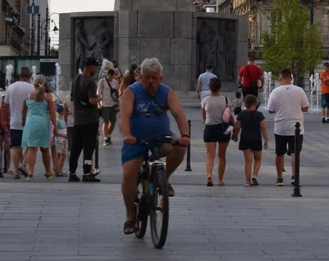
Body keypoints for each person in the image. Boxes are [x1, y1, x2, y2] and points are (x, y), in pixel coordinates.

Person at [119, 57, 191, 235]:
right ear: (140, 76)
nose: (150, 81)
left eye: (154, 77)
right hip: (137, 140)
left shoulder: (167, 92)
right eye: (146, 77)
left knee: (179, 147)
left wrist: (185, 135)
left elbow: (179, 114)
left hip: (161, 137)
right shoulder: (131, 92)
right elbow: (124, 117)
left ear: (161, 78)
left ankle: (164, 179)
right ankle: (130, 215)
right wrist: (127, 135)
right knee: (129, 174)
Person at [266, 68, 310, 186]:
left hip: (280, 127)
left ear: (280, 79)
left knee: (279, 153)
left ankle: (279, 178)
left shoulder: (275, 92)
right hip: (297, 127)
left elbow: (270, 110)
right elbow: (306, 108)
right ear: (291, 78)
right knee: (295, 153)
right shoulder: (299, 91)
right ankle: (294, 177)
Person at [69, 58, 101, 182]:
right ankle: (87, 173)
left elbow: (72, 98)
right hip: (90, 120)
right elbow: (92, 101)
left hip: (78, 120)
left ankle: (72, 173)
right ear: (91, 67)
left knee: (76, 147)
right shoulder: (91, 82)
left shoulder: (75, 80)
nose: (96, 69)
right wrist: (99, 98)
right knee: (89, 148)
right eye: (95, 67)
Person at [21, 75, 57, 178]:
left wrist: (23, 121)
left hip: (31, 122)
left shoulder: (28, 96)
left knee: (32, 148)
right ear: (44, 83)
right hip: (43, 124)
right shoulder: (48, 97)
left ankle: (30, 172)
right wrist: (55, 126)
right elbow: (52, 113)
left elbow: (24, 110)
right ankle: (48, 171)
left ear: (34, 83)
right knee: (45, 149)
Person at [200, 77, 232, 186]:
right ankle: (220, 180)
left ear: (210, 88)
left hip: (210, 128)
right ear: (220, 87)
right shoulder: (226, 100)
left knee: (210, 155)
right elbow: (229, 115)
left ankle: (209, 175)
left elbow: (204, 116)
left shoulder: (205, 100)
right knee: (222, 155)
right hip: (223, 129)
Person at [5, 68, 35, 179]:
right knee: (30, 146)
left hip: (14, 121)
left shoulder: (11, 87)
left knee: (15, 147)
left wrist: (7, 121)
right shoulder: (32, 88)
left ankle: (16, 171)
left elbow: (5, 105)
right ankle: (24, 164)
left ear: (19, 75)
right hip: (29, 121)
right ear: (29, 76)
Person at [235, 94, 269, 187]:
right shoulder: (259, 115)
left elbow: (237, 127)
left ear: (245, 104)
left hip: (245, 139)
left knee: (248, 161)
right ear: (255, 103)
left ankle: (247, 181)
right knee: (258, 159)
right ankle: (255, 175)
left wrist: (234, 135)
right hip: (256, 139)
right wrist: (266, 140)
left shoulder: (241, 114)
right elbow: (263, 128)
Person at [98, 68, 121, 146]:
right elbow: (98, 93)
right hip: (105, 104)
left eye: (112, 76)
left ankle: (108, 135)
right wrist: (99, 104)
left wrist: (118, 104)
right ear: (107, 75)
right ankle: (105, 138)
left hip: (113, 104)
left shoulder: (115, 82)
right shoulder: (102, 81)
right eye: (110, 76)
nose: (111, 77)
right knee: (106, 122)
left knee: (113, 122)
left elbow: (117, 94)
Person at [52, 99, 69, 175]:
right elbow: (55, 132)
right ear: (62, 112)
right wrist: (64, 135)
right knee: (59, 154)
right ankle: (57, 169)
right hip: (60, 139)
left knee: (64, 155)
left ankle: (60, 170)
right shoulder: (57, 121)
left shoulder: (64, 120)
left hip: (64, 140)